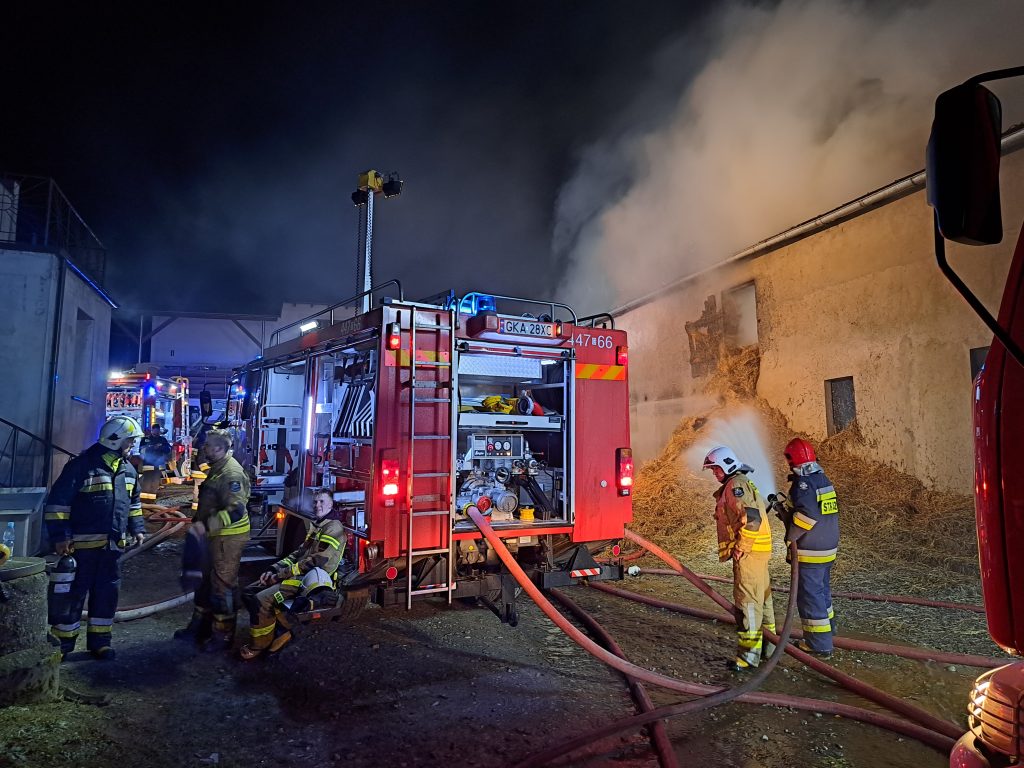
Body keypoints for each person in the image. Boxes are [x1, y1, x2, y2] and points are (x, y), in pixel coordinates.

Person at [43, 415, 146, 660]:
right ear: (115, 440)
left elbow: (134, 505)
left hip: (112, 548)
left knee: (107, 594)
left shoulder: (128, 470)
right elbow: (58, 505)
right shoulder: (81, 467)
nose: (132, 445)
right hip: (81, 548)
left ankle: (100, 642)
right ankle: (63, 645)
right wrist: (60, 536)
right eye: (129, 440)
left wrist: (137, 528)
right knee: (73, 594)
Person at [239, 488, 345, 660]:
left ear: (331, 504)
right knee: (248, 592)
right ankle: (282, 631)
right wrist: (273, 569)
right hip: (297, 575)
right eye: (315, 502)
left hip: (310, 581)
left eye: (322, 501)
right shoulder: (318, 525)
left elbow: (316, 561)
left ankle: (259, 645)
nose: (317, 505)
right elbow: (298, 554)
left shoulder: (333, 528)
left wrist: (280, 575)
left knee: (261, 599)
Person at [174, 428, 250, 651]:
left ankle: (222, 636)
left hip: (227, 538)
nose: (203, 448)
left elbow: (236, 510)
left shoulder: (231, 473)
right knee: (205, 582)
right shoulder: (218, 468)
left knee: (222, 585)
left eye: (207, 445)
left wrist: (205, 526)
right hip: (213, 536)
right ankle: (200, 628)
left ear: (218, 448)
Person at [702, 445, 775, 671]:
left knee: (748, 603)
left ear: (727, 465)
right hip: (759, 551)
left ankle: (748, 656)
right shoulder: (741, 482)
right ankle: (769, 648)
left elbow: (752, 517)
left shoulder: (735, 486)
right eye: (712, 469)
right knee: (762, 599)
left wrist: (741, 547)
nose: (714, 473)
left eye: (716, 469)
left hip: (749, 553)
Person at [780, 437, 840, 657]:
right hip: (828, 546)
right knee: (821, 591)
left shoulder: (803, 484)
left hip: (811, 550)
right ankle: (828, 631)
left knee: (809, 596)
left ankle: (818, 644)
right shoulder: (822, 479)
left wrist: (791, 536)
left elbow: (808, 515)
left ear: (792, 458)